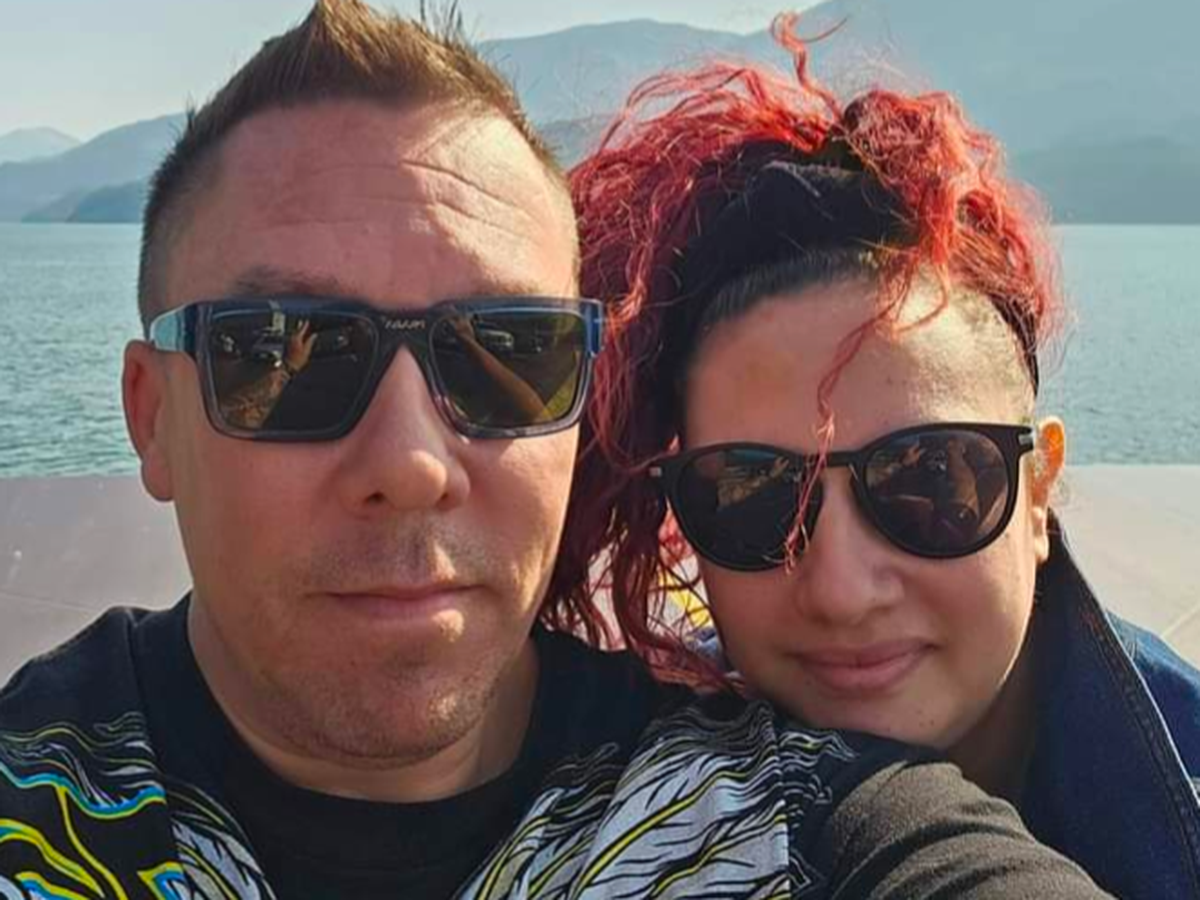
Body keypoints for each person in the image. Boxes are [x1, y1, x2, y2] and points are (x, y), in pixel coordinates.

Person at [0, 3, 1117, 898]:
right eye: (284, 357)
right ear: (151, 416)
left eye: (507, 356)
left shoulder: (793, 813)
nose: (413, 464)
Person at [565, 14, 1200, 900]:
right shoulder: (609, 786)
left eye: (930, 479)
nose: (842, 591)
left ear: (1039, 490)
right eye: (753, 498)